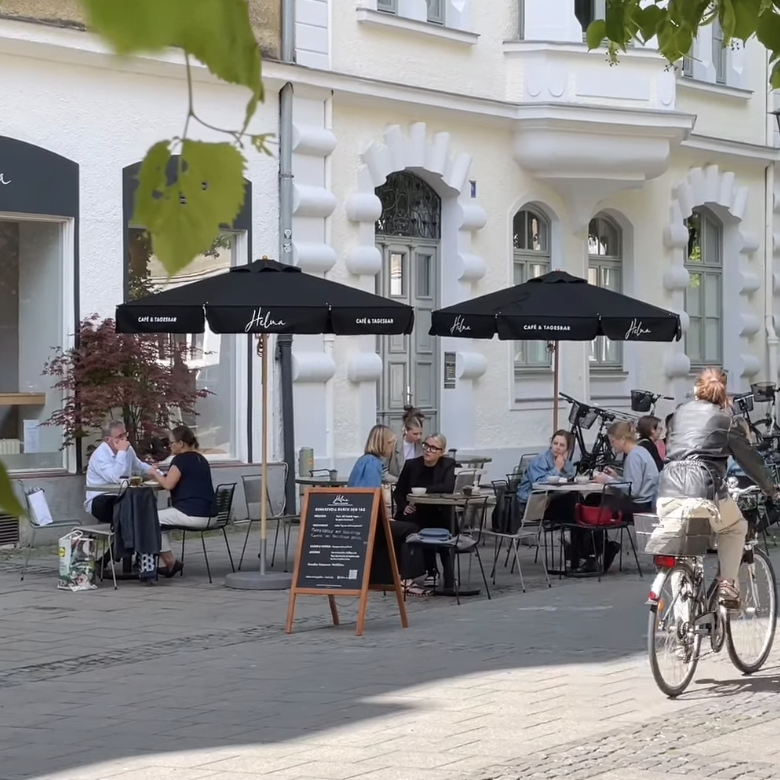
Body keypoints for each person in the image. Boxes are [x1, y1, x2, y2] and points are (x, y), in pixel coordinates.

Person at [658, 368, 778, 608]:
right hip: (704, 489)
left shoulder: (679, 414)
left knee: (680, 550)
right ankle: (728, 584)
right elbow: (750, 461)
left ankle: (682, 626)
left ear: (696, 390)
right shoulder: (728, 420)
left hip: (668, 488)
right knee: (735, 528)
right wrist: (771, 489)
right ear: (724, 394)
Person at [348, 424, 426, 594]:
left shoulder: (366, 461)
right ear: (383, 443)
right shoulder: (371, 463)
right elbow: (371, 495)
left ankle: (397, 575)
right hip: (366, 521)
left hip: (360, 518)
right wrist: (384, 517)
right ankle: (406, 579)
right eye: (391, 443)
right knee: (410, 529)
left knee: (400, 526)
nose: (393, 447)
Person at [147, 425, 215, 577]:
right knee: (162, 521)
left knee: (150, 518)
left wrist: (154, 473)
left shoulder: (180, 460)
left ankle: (170, 562)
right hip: (210, 514)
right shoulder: (200, 459)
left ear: (181, 444)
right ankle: (165, 562)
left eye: (171, 443)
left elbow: (168, 485)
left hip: (192, 514)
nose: (169, 446)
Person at [394, 433, 456, 589]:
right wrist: (403, 506)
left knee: (444, 528)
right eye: (426, 446)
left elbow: (448, 487)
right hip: (417, 511)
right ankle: (431, 571)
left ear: (442, 452)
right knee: (418, 525)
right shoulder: (412, 465)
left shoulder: (448, 464)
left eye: (434, 448)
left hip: (439, 510)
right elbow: (399, 492)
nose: (428, 450)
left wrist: (423, 491)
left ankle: (449, 576)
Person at [85, 420, 152, 524]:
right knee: (130, 503)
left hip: (121, 495)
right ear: (108, 439)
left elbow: (139, 466)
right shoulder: (100, 456)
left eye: (125, 434)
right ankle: (130, 537)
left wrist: (159, 474)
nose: (124, 439)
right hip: (101, 499)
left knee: (146, 497)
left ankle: (143, 535)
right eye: (120, 436)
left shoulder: (127, 449)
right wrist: (121, 452)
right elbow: (117, 477)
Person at [516, 430, 575, 509]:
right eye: (555, 443)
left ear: (567, 449)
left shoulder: (567, 463)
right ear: (551, 444)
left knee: (573, 497)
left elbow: (568, 481)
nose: (557, 447)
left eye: (562, 445)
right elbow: (539, 484)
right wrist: (557, 468)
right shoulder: (539, 460)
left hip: (551, 496)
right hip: (530, 497)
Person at [387, 407, 425, 480]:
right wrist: (399, 481)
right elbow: (383, 471)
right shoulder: (393, 444)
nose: (419, 437)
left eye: (420, 433)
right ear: (406, 430)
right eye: (415, 434)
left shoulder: (422, 445)